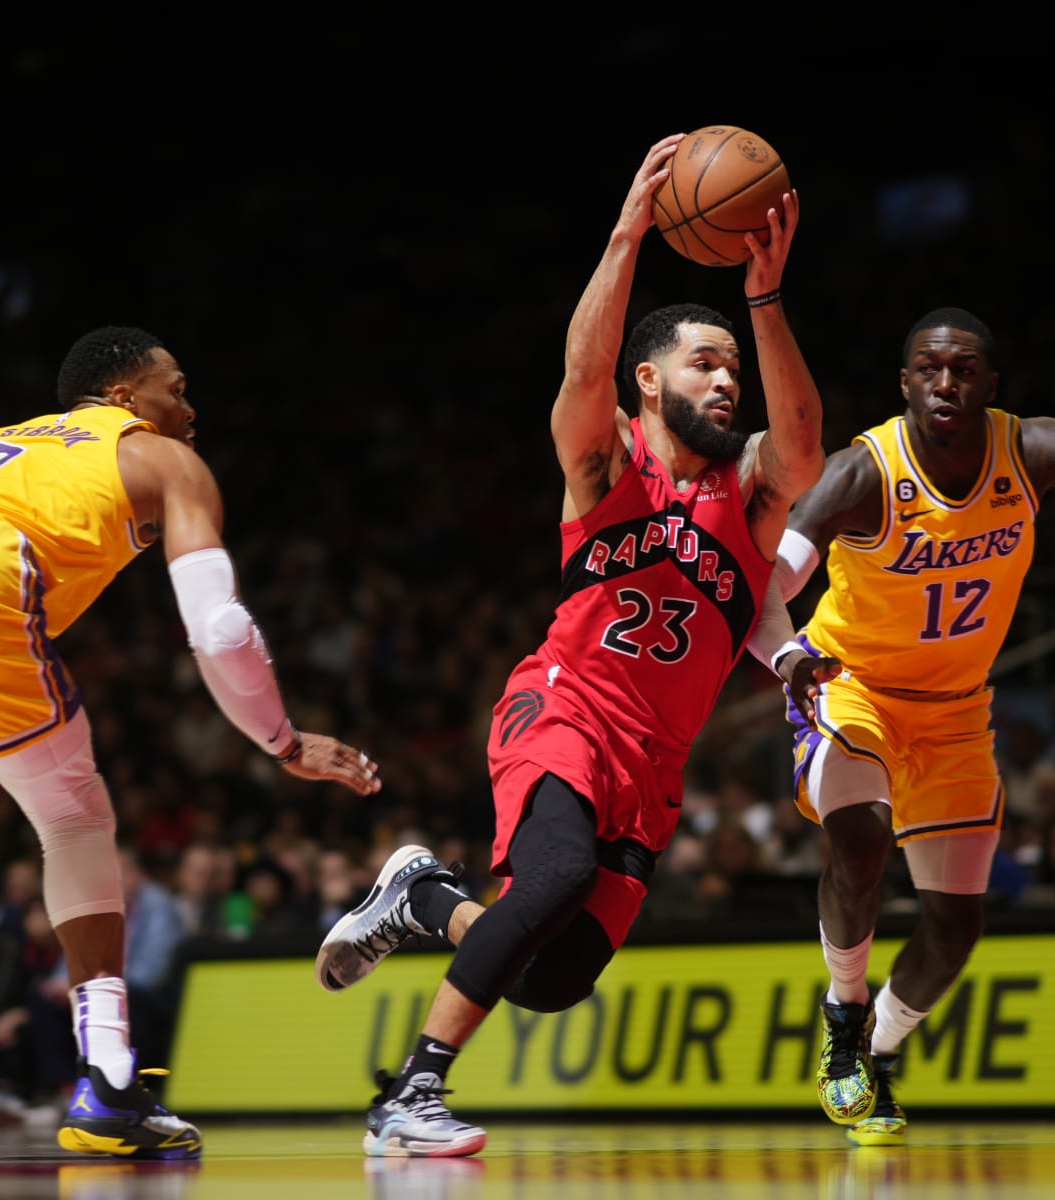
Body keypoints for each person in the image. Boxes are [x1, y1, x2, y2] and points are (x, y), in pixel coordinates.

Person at [313, 133, 824, 1158]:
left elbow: (806, 436)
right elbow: (581, 365)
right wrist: (631, 228)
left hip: (654, 763)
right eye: (705, 363)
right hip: (566, 707)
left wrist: (765, 301)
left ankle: (423, 898)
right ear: (649, 381)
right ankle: (407, 1095)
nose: (728, 383)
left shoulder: (754, 491)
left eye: (733, 368)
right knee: (545, 887)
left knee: (550, 975)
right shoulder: (609, 460)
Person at [0, 326, 382, 1159]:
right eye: (175, 387)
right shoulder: (165, 462)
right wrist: (283, 743)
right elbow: (217, 625)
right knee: (73, 822)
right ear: (122, 397)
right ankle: (106, 1081)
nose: (190, 406)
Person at [743, 305, 1055, 1145]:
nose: (947, 383)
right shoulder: (861, 473)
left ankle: (872, 1052)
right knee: (863, 837)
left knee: (955, 927)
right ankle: (842, 1012)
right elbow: (765, 586)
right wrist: (789, 662)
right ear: (905, 381)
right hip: (853, 685)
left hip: (955, 712)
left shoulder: (1033, 448)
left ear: (991, 383)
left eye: (965, 370)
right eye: (929, 368)